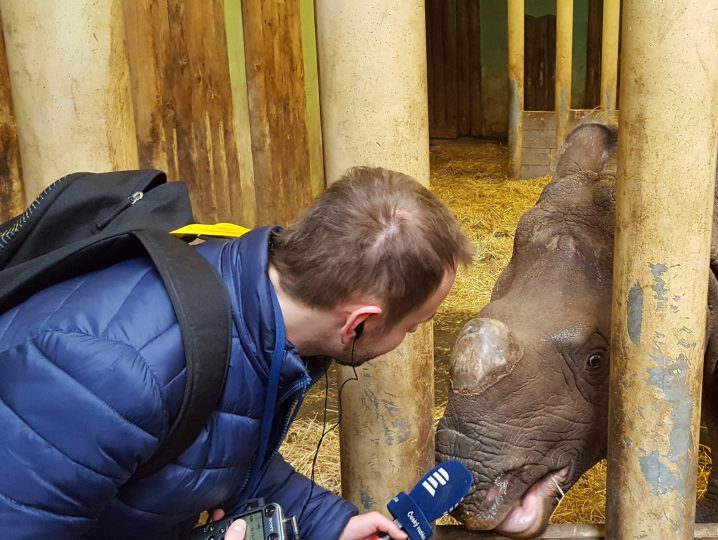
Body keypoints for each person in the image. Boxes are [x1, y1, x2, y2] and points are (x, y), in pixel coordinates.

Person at [0, 167, 474, 539]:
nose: (409, 337)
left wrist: (328, 524)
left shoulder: (247, 302)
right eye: (414, 325)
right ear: (359, 323)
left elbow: (218, 446)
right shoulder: (112, 376)